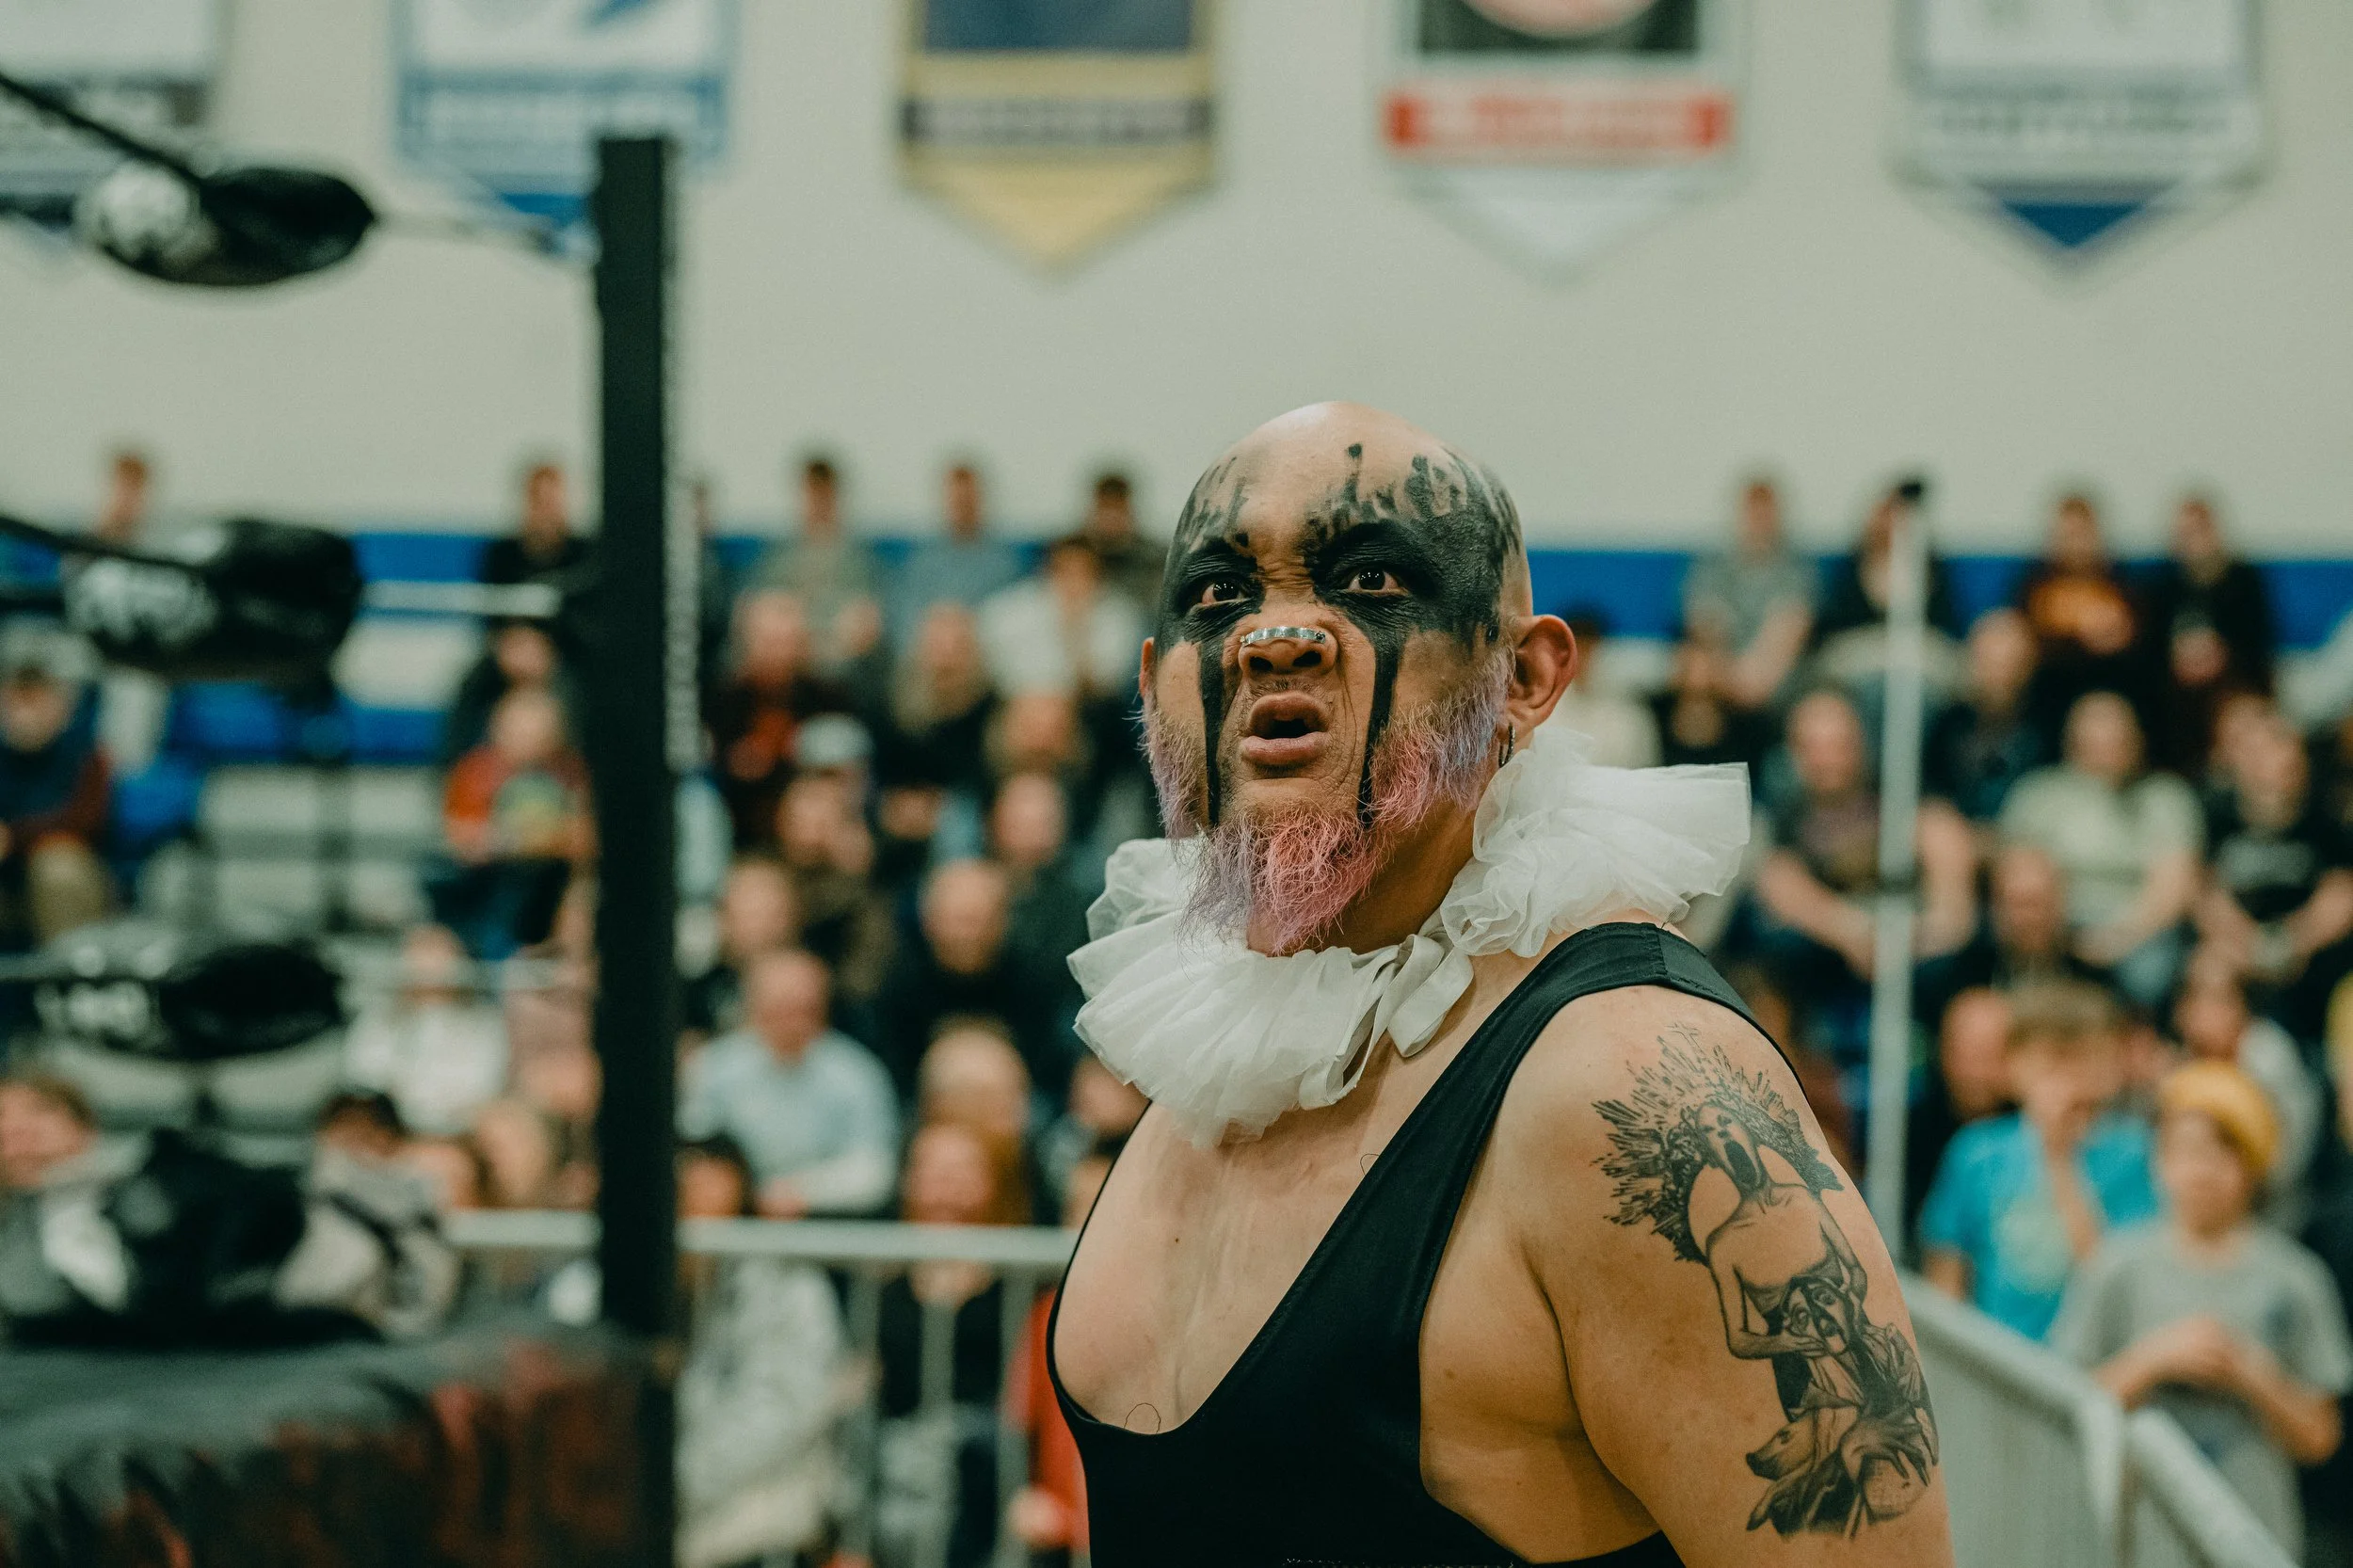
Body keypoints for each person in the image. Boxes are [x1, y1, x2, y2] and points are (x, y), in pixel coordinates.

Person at [1051, 405, 1947, 1565]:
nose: (1276, 637)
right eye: (1220, 593)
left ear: (1525, 675)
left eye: (1370, 581)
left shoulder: (1628, 1084)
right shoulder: (1210, 1044)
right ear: (1153, 680)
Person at [2052, 1062, 2349, 1559]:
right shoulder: (2116, 1268)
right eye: (2186, 1151)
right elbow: (2066, 1405)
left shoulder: (2296, 1279)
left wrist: (2251, 1374)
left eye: (2222, 1153)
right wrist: (2152, 1360)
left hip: (2255, 1534)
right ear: (2159, 1159)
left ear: (2254, 1165)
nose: (2202, 1171)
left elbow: (2321, 1438)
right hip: (2134, 1534)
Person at [1920, 981, 2158, 1340]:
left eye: (2084, 1057)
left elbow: (2112, 1284)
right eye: (2054, 1059)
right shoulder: (1977, 1152)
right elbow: (1946, 1278)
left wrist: (2058, 1159)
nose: (2069, 1077)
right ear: (2012, 1066)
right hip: (1996, 1356)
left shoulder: (2133, 1153)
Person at [673, 1136, 849, 1568]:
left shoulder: (792, 1289)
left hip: (758, 1518)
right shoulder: (614, 1286)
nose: (695, 1203)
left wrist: (679, 1481)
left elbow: (781, 1412)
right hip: (656, 1508)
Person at [1750, 688, 1977, 998]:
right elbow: (1778, 886)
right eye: (1812, 747)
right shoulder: (1786, 826)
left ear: (1861, 743)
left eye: (1838, 745)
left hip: (1921, 963)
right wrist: (1851, 933)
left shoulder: (1910, 804)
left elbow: (1955, 920)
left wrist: (1902, 942)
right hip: (1827, 973)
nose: (1826, 760)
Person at [2000, 691, 2203, 1009]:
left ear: (2138, 740)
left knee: (2150, 974)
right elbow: (2017, 875)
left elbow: (2172, 890)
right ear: (2073, 742)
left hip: (2137, 929)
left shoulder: (2166, 797)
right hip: (2054, 921)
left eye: (2118, 739)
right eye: (2097, 739)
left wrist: (2114, 939)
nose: (2109, 749)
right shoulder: (2039, 795)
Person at [874, 1119, 1014, 1568]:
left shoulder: (1018, 1275)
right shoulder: (879, 1277)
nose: (946, 1183)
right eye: (932, 1169)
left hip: (985, 1459)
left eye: (962, 1169)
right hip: (899, 1459)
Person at [678, 948, 900, 1218]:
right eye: (780, 1007)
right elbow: (693, 1148)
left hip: (826, 1220)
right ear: (752, 1005)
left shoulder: (857, 1074)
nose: (792, 1021)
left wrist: (804, 1192)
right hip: (730, 1215)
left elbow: (876, 1170)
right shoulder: (712, 1068)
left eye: (804, 1009)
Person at [2198, 709, 2353, 1040]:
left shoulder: (2326, 817)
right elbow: (2207, 895)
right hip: (2237, 950)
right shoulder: (2217, 815)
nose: (2276, 764)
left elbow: (2340, 898)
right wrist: (2249, 947)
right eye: (2259, 753)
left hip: (2310, 954)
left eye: (2286, 751)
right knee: (2208, 969)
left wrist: (2290, 944)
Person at [874, 859, 1070, 1103]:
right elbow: (892, 1077)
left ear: (1002, 922)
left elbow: (1048, 1072)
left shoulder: (1033, 984)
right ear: (928, 921)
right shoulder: (898, 987)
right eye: (957, 920)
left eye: (976, 920)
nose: (966, 935)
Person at [431, 686, 591, 960]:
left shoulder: (570, 773)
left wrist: (534, 842)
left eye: (536, 732)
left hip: (552, 886)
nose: (527, 740)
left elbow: (585, 840)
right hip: (489, 888)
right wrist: (516, 840)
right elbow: (462, 838)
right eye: (518, 730)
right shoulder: (476, 772)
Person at [2173, 952, 2323, 1226]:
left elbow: (2296, 1146)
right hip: (2203, 1200)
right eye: (2195, 999)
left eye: (2219, 999)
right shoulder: (2184, 1063)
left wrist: (2241, 1185)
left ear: (2241, 1005)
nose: (2204, 1011)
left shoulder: (2269, 1054)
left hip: (2272, 1204)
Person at [706, 589, 854, 850]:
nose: (779, 653)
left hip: (813, 820)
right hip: (738, 820)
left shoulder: (828, 700)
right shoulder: (721, 701)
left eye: (787, 642)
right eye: (769, 642)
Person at [341, 924, 508, 1137]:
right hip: (387, 1128)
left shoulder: (484, 1022)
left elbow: (484, 1085)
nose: (430, 966)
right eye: (421, 951)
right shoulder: (379, 1017)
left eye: (439, 952)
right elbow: (363, 1076)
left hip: (463, 1132)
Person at [1680, 475, 1817, 712]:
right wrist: (1730, 677)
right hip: (1721, 675)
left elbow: (1790, 628)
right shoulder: (1712, 567)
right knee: (1694, 668)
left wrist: (1756, 679)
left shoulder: (1797, 570)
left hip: (1778, 677)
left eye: (1766, 511)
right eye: (1754, 511)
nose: (1760, 519)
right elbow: (1705, 626)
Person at [0, 656, 110, 949]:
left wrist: (13, 838)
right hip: (8, 880)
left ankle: (71, 967)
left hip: (75, 879)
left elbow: (82, 824)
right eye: (16, 701)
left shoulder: (88, 756)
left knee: (57, 865)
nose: (24, 713)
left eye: (35, 701)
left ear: (59, 706)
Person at [2013, 491, 2145, 718]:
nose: (2074, 545)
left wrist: (2116, 637)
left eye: (2081, 534)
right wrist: (2077, 636)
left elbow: (2137, 639)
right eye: (2067, 535)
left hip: (2111, 684)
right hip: (2051, 689)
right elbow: (2026, 636)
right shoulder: (2035, 584)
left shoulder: (2122, 585)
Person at [751, 454, 886, 671]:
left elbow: (868, 614)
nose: (818, 503)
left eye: (825, 494)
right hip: (790, 648)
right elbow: (765, 604)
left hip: (843, 652)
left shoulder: (858, 558)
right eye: (813, 494)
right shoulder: (781, 555)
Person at [1924, 607, 2056, 828]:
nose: (1999, 676)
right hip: (1956, 834)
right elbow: (1931, 794)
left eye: (2010, 664)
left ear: (2030, 665)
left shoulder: (2047, 731)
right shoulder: (1947, 726)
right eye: (1988, 663)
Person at [1904, 988, 2014, 1252]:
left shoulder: (2032, 1133)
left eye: (1990, 1054)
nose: (1977, 1070)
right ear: (1943, 1052)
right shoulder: (1908, 1131)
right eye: (1966, 1052)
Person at [977, 535, 1144, 704]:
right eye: (1064, 571)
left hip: (1085, 707)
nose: (1073, 582)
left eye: (1083, 573)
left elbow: (1099, 690)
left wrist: (1075, 631)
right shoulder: (1012, 609)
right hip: (1016, 703)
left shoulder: (1118, 617)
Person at [891, 461, 1025, 641]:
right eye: (957, 501)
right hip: (930, 650)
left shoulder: (1005, 563)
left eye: (968, 500)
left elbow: (1014, 619)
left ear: (980, 500)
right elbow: (905, 621)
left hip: (985, 650)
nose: (963, 508)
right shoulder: (922, 561)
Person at [681, 854, 802, 1047]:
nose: (758, 928)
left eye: (768, 912)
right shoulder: (700, 992)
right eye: (749, 913)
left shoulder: (817, 991)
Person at [1542, 609, 1660, 769]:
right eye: (1575, 650)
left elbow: (1645, 770)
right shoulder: (1541, 714)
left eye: (1588, 650)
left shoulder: (1630, 715)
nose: (1581, 660)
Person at [479, 459, 590, 590]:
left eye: (551, 502)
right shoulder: (502, 557)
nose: (545, 512)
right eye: (538, 501)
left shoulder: (584, 558)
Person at [1079, 470, 1166, 610]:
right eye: (1106, 511)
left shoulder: (1154, 558)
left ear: (1129, 511)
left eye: (1116, 511)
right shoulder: (1075, 556)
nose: (1110, 520)